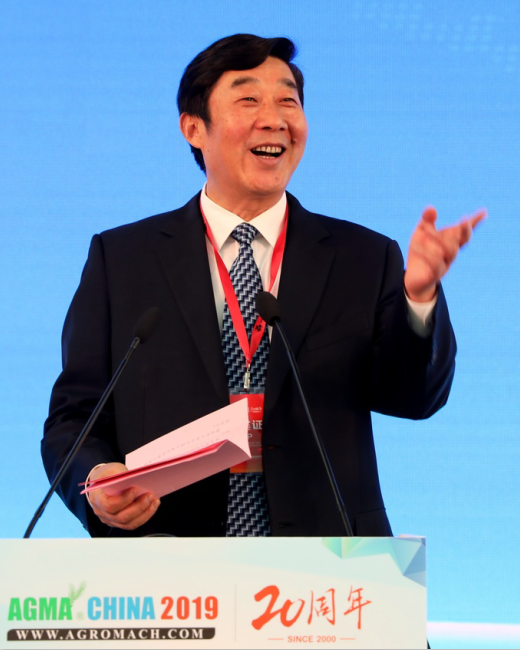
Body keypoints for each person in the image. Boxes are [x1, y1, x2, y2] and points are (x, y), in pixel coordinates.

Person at [42, 34, 484, 538]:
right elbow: (74, 418)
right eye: (249, 99)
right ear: (193, 128)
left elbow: (413, 398)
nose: (274, 119)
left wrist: (419, 298)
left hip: (325, 563)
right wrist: (95, 479)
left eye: (287, 101)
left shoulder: (362, 256)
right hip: (168, 558)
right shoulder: (123, 259)